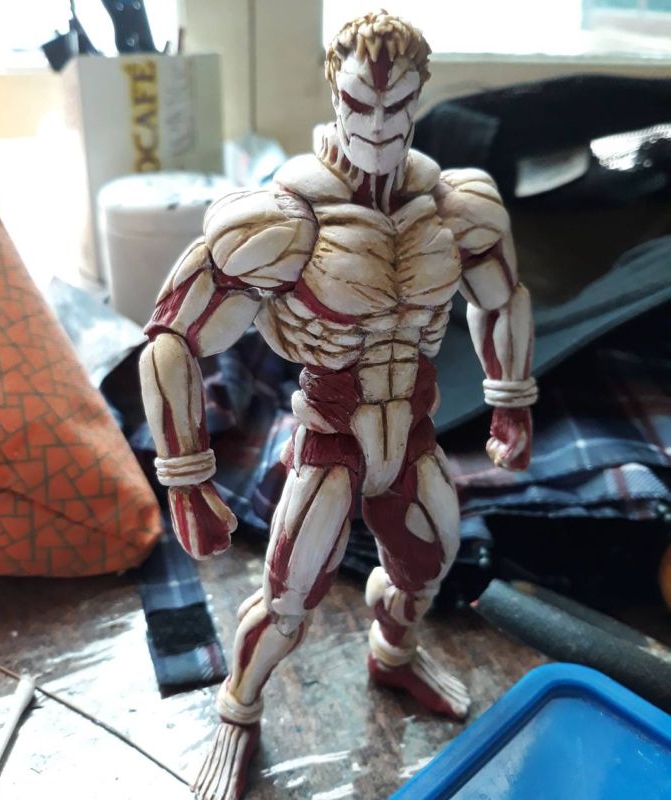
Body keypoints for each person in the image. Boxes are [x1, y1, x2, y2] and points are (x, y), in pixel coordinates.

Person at [140, 11, 536, 800]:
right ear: (334, 92)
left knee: (428, 566)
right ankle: (237, 712)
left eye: (396, 106)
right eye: (360, 103)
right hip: (330, 437)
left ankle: (392, 656)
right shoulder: (283, 218)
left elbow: (500, 298)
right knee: (289, 600)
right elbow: (171, 336)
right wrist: (186, 477)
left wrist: (510, 400)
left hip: (413, 431)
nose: (378, 126)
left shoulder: (454, 205)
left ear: (419, 95)